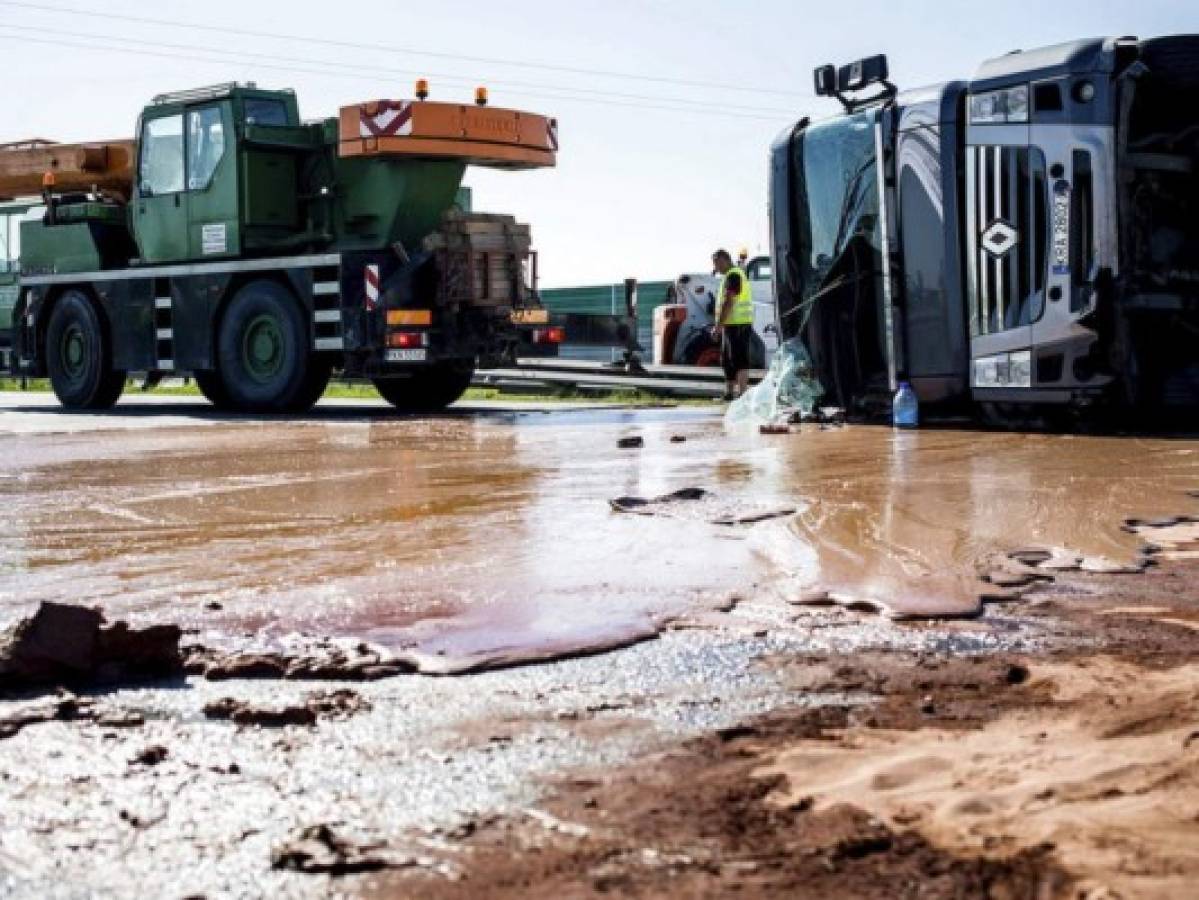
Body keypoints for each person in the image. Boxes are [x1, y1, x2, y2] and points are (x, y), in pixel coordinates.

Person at [710, 248, 754, 400]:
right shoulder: (728, 276)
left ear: (724, 260)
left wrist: (718, 326)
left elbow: (728, 302)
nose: (715, 268)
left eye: (716, 263)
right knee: (727, 360)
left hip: (739, 324)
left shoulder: (734, 275)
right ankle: (729, 393)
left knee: (739, 359)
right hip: (731, 325)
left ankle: (742, 394)